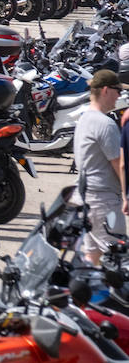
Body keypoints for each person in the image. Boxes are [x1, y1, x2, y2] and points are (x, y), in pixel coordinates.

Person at [77, 69, 126, 267]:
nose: (120, 96)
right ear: (105, 90)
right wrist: (127, 195)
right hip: (104, 202)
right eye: (118, 91)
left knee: (93, 255)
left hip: (87, 198)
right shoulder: (105, 124)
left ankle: (84, 297)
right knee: (118, 257)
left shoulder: (84, 119)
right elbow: (119, 164)